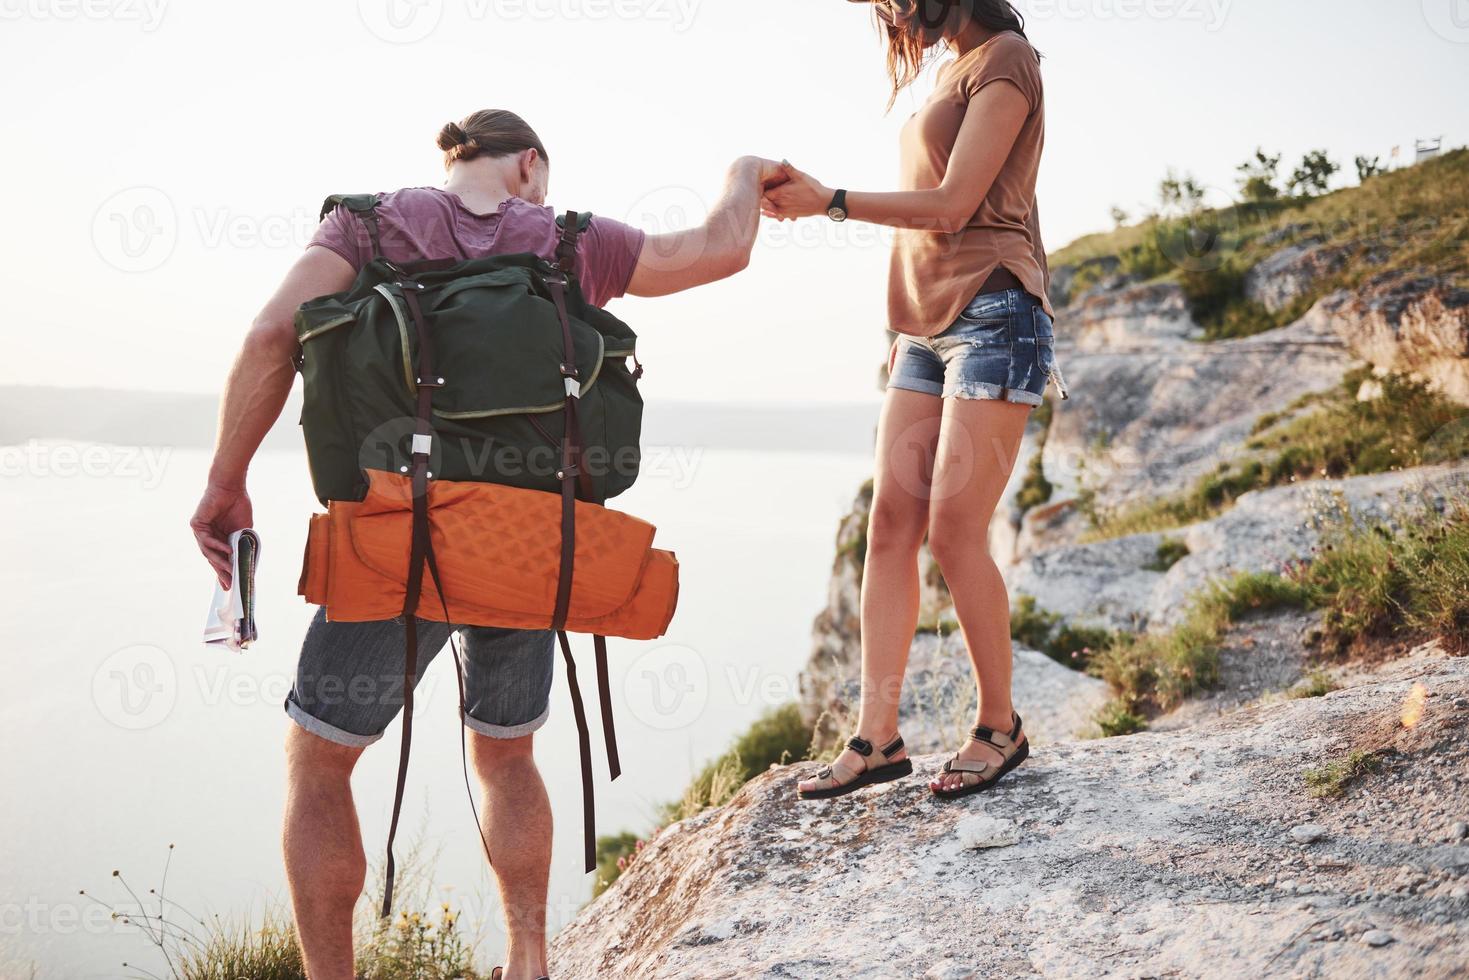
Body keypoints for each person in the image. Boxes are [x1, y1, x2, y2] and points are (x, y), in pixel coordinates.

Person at [189, 108, 786, 980]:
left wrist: (225, 480)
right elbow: (718, 249)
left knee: (319, 764)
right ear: (529, 166)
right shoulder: (569, 242)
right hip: (531, 546)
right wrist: (744, 171)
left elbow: (268, 335)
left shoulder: (364, 225)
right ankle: (530, 962)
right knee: (505, 756)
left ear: (451, 161)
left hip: (397, 537)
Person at [762, 0, 1066, 801]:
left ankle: (999, 726)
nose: (892, 13)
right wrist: (901, 327)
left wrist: (829, 200)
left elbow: (952, 206)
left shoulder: (1007, 58)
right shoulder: (949, 70)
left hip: (994, 317)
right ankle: (877, 738)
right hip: (920, 332)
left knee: (954, 531)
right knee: (890, 525)